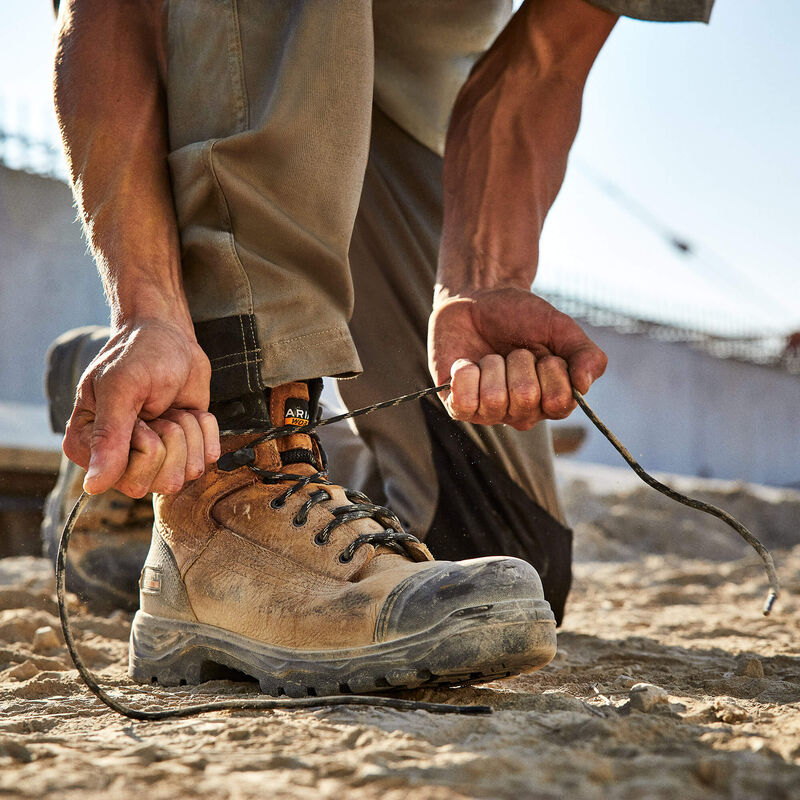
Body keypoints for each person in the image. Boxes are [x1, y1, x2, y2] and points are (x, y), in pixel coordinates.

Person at [49, 0, 713, 695]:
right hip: (218, 54)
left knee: (497, 563)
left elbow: (539, 65)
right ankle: (224, 484)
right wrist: (147, 311)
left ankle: (171, 453)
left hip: (398, 119)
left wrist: (479, 283)